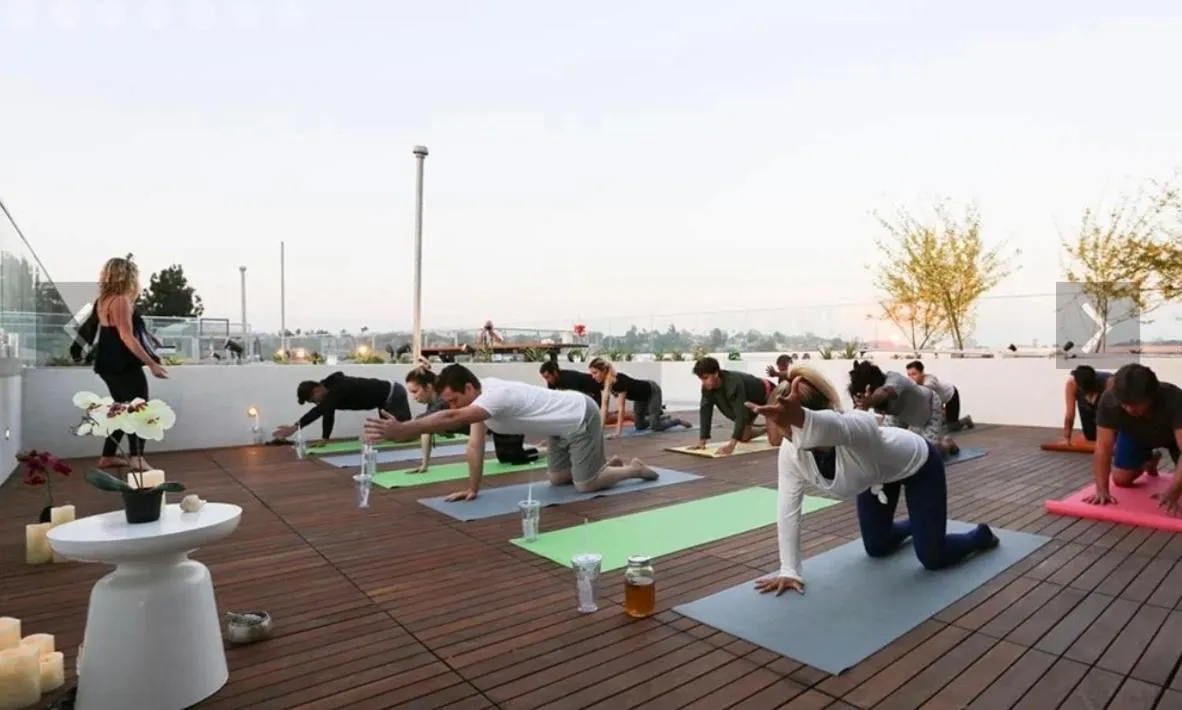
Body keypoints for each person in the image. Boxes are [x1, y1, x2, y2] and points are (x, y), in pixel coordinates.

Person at [747, 367, 999, 596]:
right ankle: (920, 523)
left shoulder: (859, 427)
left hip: (919, 464)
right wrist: (789, 570)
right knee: (877, 546)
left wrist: (803, 417)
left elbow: (835, 425)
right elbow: (788, 507)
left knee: (933, 557)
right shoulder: (791, 450)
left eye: (793, 425)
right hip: (877, 476)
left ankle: (981, 536)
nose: (789, 437)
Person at [361, 364, 658, 502]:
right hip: (557, 429)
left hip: (580, 416)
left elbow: (451, 417)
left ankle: (633, 469)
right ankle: (605, 466)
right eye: (448, 401)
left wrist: (403, 428)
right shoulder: (478, 401)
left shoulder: (495, 396)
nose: (453, 406)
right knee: (558, 479)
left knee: (585, 485)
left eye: (454, 399)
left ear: (469, 388)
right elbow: (474, 447)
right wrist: (473, 489)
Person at [90, 257, 169, 470]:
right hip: (122, 363)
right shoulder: (121, 300)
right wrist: (151, 363)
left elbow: (119, 328)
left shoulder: (104, 300)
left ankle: (107, 456)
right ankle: (137, 458)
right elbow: (126, 336)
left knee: (122, 409)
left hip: (107, 363)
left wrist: (148, 336)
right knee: (139, 408)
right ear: (127, 276)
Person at [1083, 364, 1182, 511]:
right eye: (1125, 404)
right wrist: (1102, 490)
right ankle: (1149, 461)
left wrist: (1172, 492)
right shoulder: (1110, 400)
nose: (1129, 409)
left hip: (1174, 437)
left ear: (1152, 397)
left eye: (1135, 404)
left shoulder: (1174, 399)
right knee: (1121, 480)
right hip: (1136, 435)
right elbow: (1103, 447)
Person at [848, 360, 960, 457]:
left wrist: (871, 400)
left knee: (929, 453)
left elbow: (885, 392)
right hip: (898, 415)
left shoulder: (894, 378)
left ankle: (948, 444)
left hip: (929, 406)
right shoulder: (868, 394)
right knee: (886, 442)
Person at [272, 371, 412, 445]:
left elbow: (326, 412)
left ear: (316, 390)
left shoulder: (337, 389)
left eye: (313, 400)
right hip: (383, 400)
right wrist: (295, 427)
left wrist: (324, 438)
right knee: (392, 435)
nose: (316, 404)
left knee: (406, 434)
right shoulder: (330, 389)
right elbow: (320, 410)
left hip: (393, 393)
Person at [588, 358, 691, 438]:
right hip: (639, 398)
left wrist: (617, 433)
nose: (593, 376)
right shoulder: (602, 384)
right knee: (639, 425)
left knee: (656, 427)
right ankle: (661, 418)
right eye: (591, 373)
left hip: (652, 391)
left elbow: (621, 409)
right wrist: (600, 432)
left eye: (595, 373)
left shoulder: (618, 381)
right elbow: (604, 408)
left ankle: (677, 421)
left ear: (604, 371)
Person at [691, 356, 774, 455]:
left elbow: (741, 414)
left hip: (769, 393)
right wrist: (702, 440)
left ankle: (775, 426)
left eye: (706, 378)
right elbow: (705, 410)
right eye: (701, 379)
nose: (703, 382)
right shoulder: (707, 387)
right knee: (743, 436)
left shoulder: (733, 383)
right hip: (751, 402)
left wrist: (731, 445)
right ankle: (768, 427)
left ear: (716, 373)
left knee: (776, 441)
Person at [404, 366, 470, 473]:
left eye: (415, 391)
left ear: (428, 387)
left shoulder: (445, 399)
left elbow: (422, 422)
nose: (414, 397)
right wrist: (424, 465)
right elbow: (425, 430)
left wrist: (398, 428)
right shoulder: (432, 404)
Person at [905, 361, 974, 432]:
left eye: (914, 374)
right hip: (939, 399)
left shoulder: (930, 381)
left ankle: (966, 420)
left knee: (952, 426)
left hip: (951, 395)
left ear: (922, 372)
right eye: (909, 375)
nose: (911, 378)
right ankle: (944, 418)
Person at [1061, 365, 1113, 443]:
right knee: (1091, 436)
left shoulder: (1109, 382)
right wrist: (1067, 438)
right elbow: (1070, 414)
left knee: (1106, 434)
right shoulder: (1072, 383)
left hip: (1105, 409)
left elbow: (1114, 411)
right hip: (1087, 408)